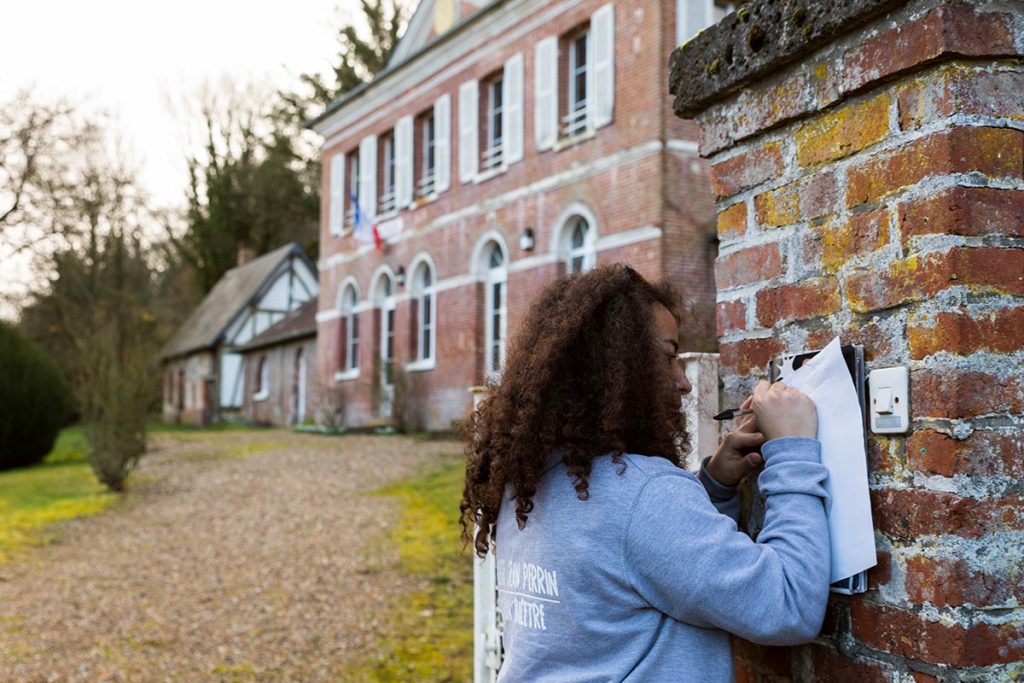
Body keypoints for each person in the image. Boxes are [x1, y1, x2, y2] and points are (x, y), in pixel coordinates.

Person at [460, 264, 829, 682]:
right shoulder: (643, 496)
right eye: (669, 356)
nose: (683, 382)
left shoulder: (524, 482)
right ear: (619, 365)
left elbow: (641, 564)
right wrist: (793, 450)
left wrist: (713, 485)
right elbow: (788, 605)